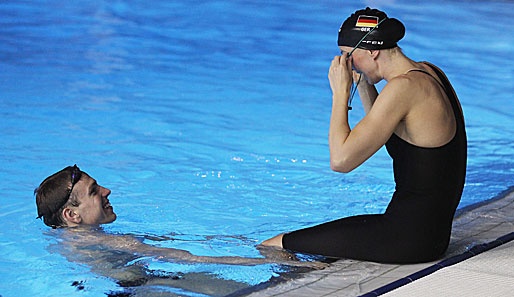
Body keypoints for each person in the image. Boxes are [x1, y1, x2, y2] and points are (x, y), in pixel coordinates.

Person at [262, 7, 467, 264]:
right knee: (320, 240)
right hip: (430, 236)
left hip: (408, 241)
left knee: (274, 245)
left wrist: (339, 94)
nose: (345, 64)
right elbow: (384, 131)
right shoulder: (429, 73)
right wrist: (362, 82)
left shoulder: (403, 88)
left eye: (348, 56)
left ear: (372, 51)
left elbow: (341, 161)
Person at [35, 165, 325, 268]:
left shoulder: (72, 242)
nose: (108, 191)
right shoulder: (110, 243)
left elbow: (168, 241)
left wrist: (241, 242)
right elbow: (188, 258)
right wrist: (262, 260)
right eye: (95, 191)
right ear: (72, 214)